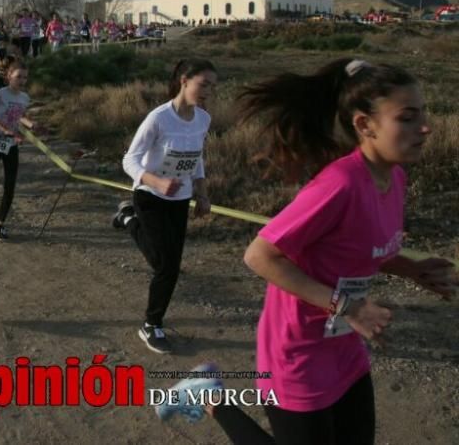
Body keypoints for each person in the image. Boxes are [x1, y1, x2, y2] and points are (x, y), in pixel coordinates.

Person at [156, 58, 457, 444]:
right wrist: (347, 306)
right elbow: (260, 256)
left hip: (344, 344)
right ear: (365, 125)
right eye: (408, 117)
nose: (425, 127)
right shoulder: (339, 185)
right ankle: (210, 396)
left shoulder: (394, 177)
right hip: (296, 353)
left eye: (424, 114)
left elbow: (357, 250)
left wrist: (408, 268)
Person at [119, 58, 216, 354]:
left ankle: (125, 219)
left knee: (167, 263)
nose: (207, 91)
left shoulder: (203, 119)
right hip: (150, 197)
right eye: (203, 84)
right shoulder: (159, 118)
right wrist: (156, 182)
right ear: (184, 81)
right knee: (167, 267)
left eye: (212, 86)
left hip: (180, 199)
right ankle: (151, 324)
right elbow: (129, 160)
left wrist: (202, 193)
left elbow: (196, 157)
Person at [0, 58, 34, 241]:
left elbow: (20, 116)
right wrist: (4, 130)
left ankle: (0, 224)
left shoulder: (24, 98)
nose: (22, 81)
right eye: (18, 77)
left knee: (10, 185)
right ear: (8, 76)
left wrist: (32, 124)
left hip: (11, 145)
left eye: (25, 78)